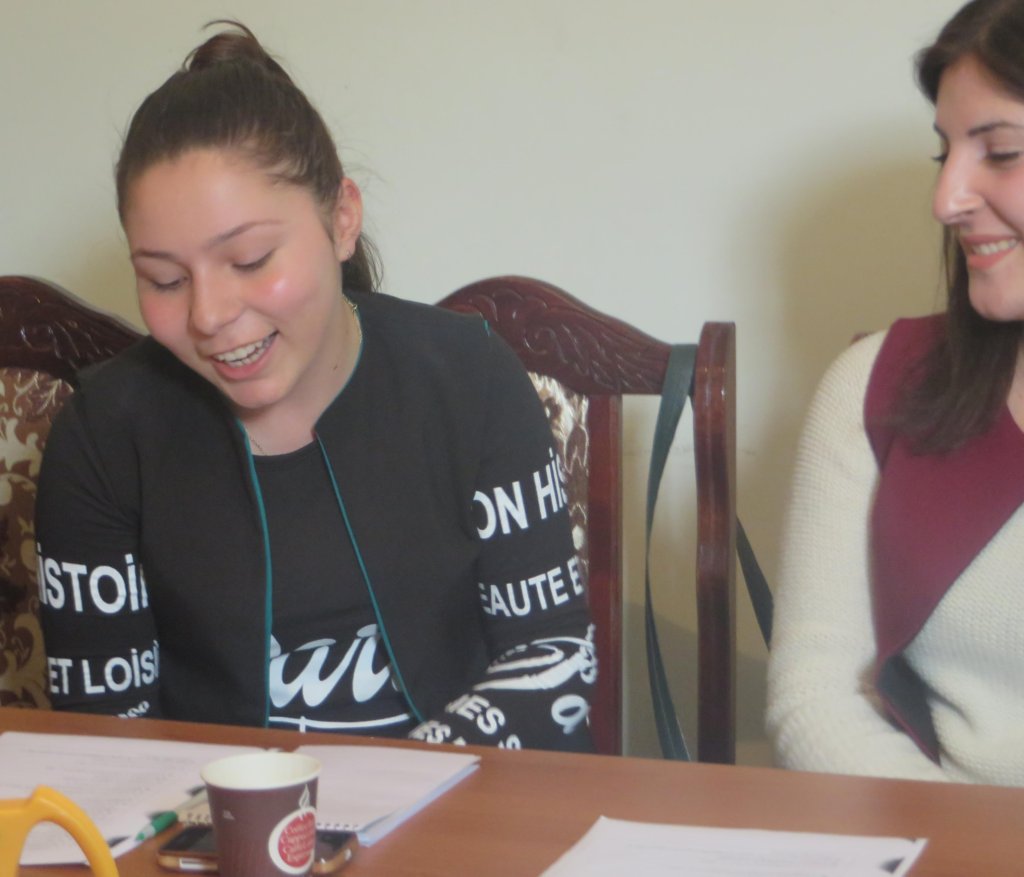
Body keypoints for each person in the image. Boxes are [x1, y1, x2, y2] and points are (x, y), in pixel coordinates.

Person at [35, 22, 595, 752]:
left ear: (341, 220)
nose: (208, 316)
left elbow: (552, 660)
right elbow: (104, 736)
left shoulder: (471, 379)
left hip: (462, 806)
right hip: (209, 818)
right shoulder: (104, 436)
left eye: (249, 259)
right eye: (165, 280)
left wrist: (392, 785)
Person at [767, 0, 1024, 785]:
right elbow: (814, 698)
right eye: (945, 152)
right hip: (939, 834)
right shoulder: (878, 384)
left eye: (1001, 152)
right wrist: (968, 841)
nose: (946, 199)